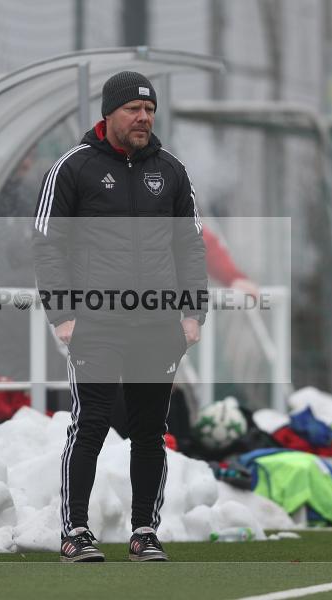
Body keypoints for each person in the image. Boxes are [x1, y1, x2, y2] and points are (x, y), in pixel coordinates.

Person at [32, 71, 208, 562]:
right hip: (97, 324)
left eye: (149, 110)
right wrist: (63, 313)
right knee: (89, 424)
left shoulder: (171, 171)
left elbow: (190, 245)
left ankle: (144, 530)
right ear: (109, 114)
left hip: (157, 324)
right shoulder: (73, 167)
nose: (143, 117)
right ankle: (75, 531)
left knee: (151, 431)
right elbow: (48, 244)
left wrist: (193, 311)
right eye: (133, 109)